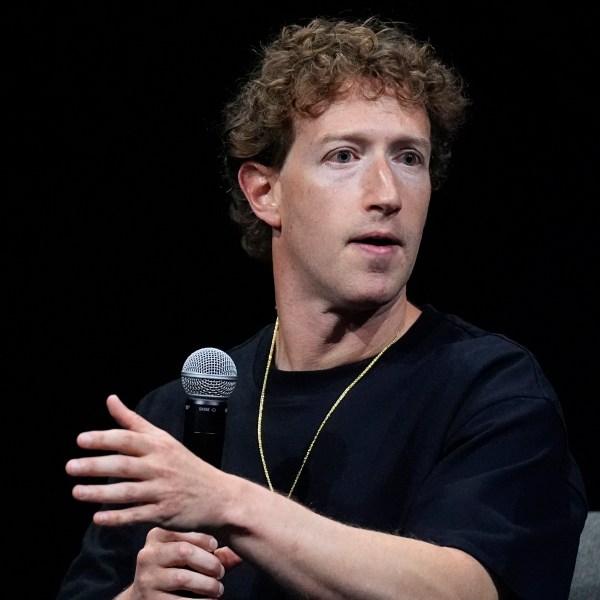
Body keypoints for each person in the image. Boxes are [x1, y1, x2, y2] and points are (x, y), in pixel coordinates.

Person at [57, 15, 587, 600]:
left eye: (409, 158)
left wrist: (227, 501)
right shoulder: (178, 416)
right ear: (266, 192)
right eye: (344, 156)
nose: (387, 194)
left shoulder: (490, 388)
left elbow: (470, 589)